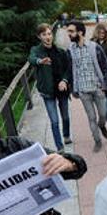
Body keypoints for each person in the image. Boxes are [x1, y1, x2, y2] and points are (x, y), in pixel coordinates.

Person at [67, 20, 107, 152]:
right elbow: (69, 70)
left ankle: (102, 125)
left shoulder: (94, 47)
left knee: (104, 114)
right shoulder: (70, 50)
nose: (68, 34)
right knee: (91, 117)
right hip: (83, 91)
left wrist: (106, 86)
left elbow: (106, 67)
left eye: (71, 31)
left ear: (80, 32)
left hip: (98, 88)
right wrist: (72, 88)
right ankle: (97, 141)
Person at [29, 23, 73, 151]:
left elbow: (68, 68)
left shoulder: (60, 51)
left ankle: (66, 135)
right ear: (39, 37)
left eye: (49, 34)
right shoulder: (36, 51)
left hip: (62, 89)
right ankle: (59, 146)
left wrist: (64, 81)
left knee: (65, 116)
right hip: (48, 91)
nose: (47, 37)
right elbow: (31, 59)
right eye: (44, 35)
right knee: (54, 120)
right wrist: (40, 61)